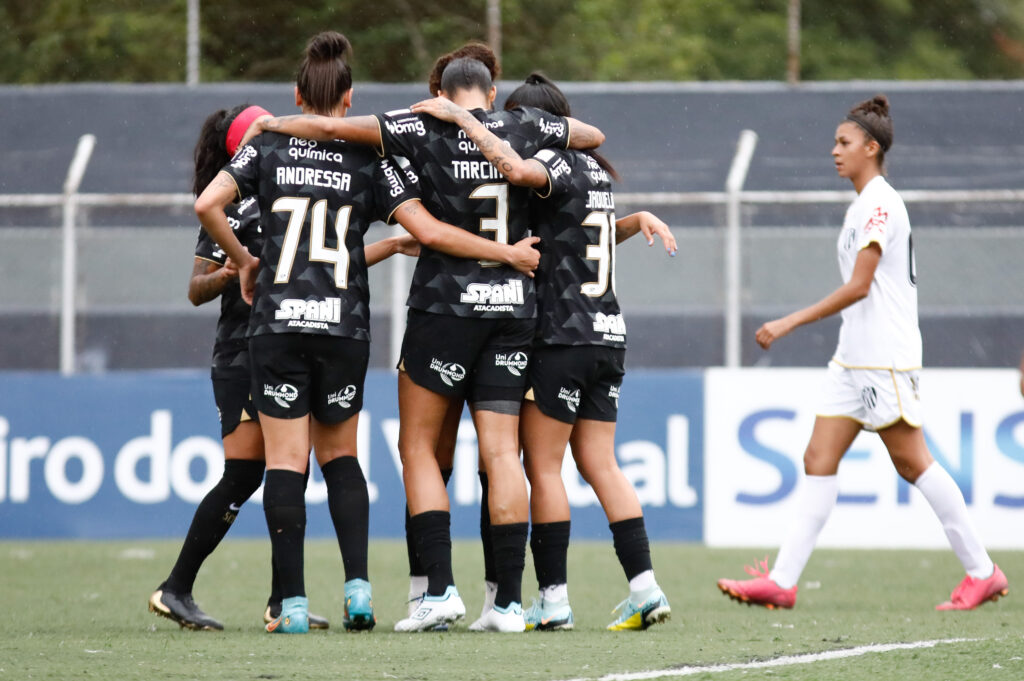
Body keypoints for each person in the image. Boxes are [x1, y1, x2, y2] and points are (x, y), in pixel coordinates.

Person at [243, 53, 606, 633]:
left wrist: (276, 125)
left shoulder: (421, 124)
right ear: (491, 90)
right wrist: (518, 132)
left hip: (445, 307)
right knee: (500, 452)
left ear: (438, 89)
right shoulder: (526, 125)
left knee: (418, 448)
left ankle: (438, 591)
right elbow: (591, 135)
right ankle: (508, 604)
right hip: (514, 307)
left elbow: (337, 129)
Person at [715, 95, 1008, 611]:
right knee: (818, 457)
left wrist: (788, 321)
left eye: (844, 143)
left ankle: (982, 571)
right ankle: (783, 581)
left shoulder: (879, 203)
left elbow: (859, 287)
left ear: (871, 148)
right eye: (835, 142)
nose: (834, 151)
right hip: (853, 358)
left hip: (884, 357)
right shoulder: (863, 203)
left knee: (913, 462)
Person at [411, 72, 677, 631]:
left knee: (543, 467)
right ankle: (645, 587)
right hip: (608, 334)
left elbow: (513, 168)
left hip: (560, 338)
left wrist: (462, 118)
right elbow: (586, 234)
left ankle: (552, 600)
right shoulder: (596, 176)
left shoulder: (552, 164)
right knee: (601, 463)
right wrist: (638, 219)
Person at [148, 103, 330, 632]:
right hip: (241, 353)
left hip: (280, 347)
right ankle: (178, 587)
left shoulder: (290, 188)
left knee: (273, 470)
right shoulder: (231, 204)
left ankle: (279, 600)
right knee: (258, 472)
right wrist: (230, 272)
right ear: (237, 147)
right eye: (258, 127)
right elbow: (195, 290)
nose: (270, 130)